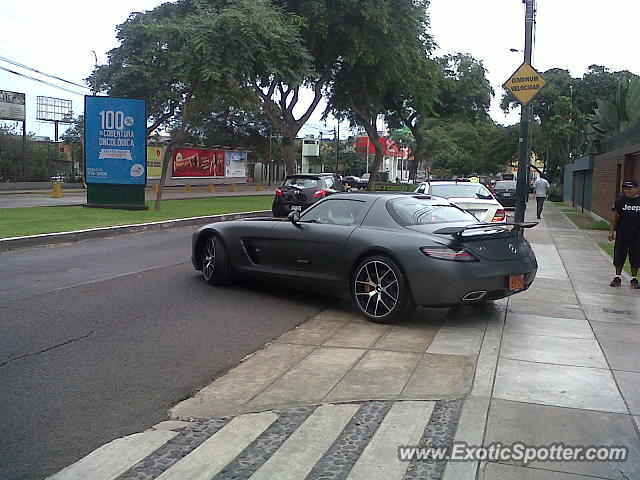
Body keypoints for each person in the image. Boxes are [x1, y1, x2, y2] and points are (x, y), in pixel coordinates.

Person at [609, 179, 640, 288]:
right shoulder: (620, 202)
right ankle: (617, 277)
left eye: (629, 188)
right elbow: (614, 216)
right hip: (622, 234)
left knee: (636, 257)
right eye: (625, 188)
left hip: (637, 236)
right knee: (619, 256)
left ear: (636, 189)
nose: (627, 190)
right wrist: (611, 231)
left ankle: (634, 279)